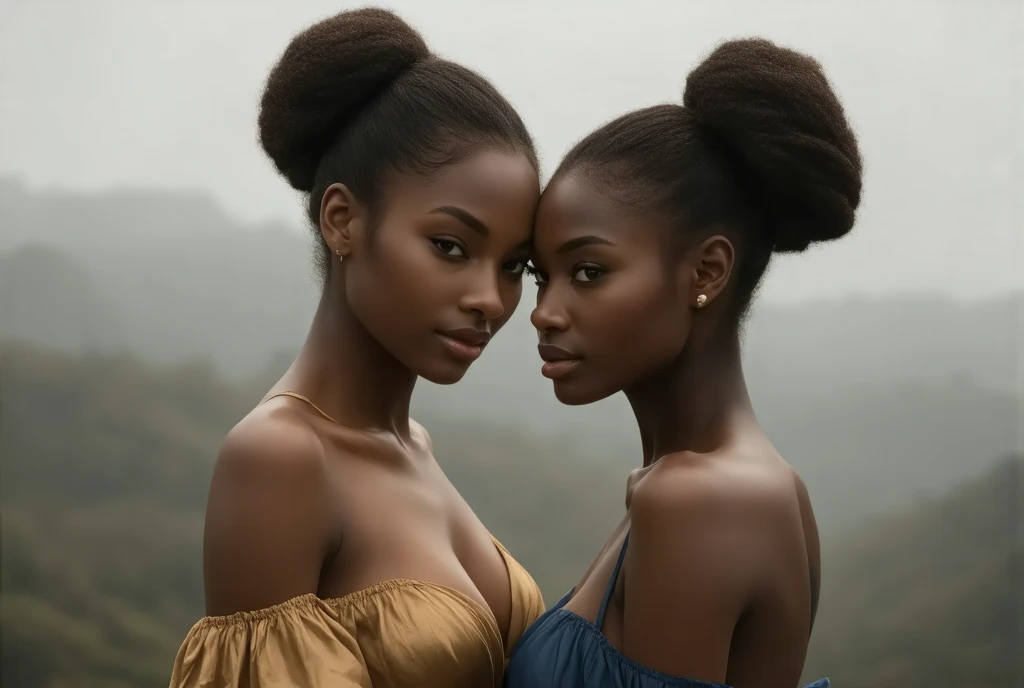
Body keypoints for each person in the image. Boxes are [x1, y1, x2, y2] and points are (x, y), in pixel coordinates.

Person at [169, 8, 545, 687]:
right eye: (450, 247)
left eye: (515, 265)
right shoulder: (279, 458)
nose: (491, 298)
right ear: (343, 220)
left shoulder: (415, 446)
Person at [507, 38, 862, 688]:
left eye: (588, 271)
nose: (544, 311)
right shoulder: (742, 488)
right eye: (540, 274)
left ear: (707, 270)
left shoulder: (696, 501)